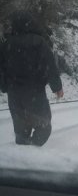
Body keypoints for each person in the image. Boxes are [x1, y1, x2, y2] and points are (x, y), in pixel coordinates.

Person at [0, 11, 63, 146]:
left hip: (14, 94)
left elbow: (1, 69)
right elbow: (50, 65)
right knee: (43, 127)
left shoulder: (6, 44)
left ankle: (22, 157)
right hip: (35, 93)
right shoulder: (39, 42)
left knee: (21, 131)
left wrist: (4, 86)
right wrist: (57, 87)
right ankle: (33, 153)